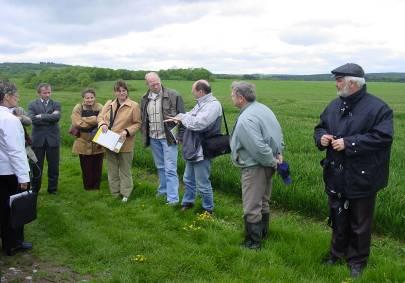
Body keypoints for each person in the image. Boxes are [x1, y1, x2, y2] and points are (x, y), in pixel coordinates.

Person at [314, 63, 393, 278]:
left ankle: (357, 261)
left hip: (362, 177)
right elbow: (320, 126)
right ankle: (336, 253)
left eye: (339, 79)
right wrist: (321, 138)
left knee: (360, 222)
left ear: (352, 82)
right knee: (338, 216)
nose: (336, 84)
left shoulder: (379, 109)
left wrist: (350, 143)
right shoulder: (334, 105)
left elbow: (383, 138)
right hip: (335, 174)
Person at [229, 81, 284, 250]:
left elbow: (258, 147)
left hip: (255, 167)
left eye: (232, 95)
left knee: (252, 204)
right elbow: (277, 133)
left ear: (240, 98)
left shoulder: (246, 118)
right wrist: (278, 154)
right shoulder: (263, 108)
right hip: (269, 163)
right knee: (263, 200)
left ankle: (253, 243)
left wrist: (271, 160)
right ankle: (263, 233)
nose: (231, 98)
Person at [165, 80, 222, 213]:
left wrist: (181, 119)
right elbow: (189, 115)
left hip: (203, 148)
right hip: (193, 148)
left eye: (194, 90)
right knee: (188, 179)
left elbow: (198, 123)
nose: (192, 93)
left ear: (200, 91)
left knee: (202, 182)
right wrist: (179, 117)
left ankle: (208, 209)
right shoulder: (201, 104)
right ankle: (188, 202)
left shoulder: (213, 105)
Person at [140, 72, 185, 205]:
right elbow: (143, 119)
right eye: (152, 83)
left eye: (157, 81)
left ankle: (173, 199)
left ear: (160, 80)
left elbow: (183, 116)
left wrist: (180, 136)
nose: (155, 85)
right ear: (147, 84)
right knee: (160, 167)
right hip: (153, 138)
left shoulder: (174, 95)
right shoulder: (144, 98)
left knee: (170, 168)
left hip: (169, 138)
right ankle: (163, 191)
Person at [0, 80, 33, 256]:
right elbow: (15, 150)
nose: (18, 98)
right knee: (14, 209)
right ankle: (13, 243)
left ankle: (7, 241)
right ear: (6, 96)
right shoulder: (9, 119)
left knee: (3, 208)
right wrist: (24, 177)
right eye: (16, 94)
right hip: (9, 171)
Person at [98, 80, 141, 202]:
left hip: (125, 142)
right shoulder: (109, 104)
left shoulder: (134, 105)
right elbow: (100, 117)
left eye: (124, 90)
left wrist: (127, 131)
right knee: (112, 169)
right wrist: (102, 125)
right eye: (119, 91)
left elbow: (138, 123)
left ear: (127, 91)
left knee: (125, 170)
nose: (121, 93)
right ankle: (115, 193)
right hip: (109, 141)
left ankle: (126, 194)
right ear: (115, 92)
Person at [28, 83, 61, 194]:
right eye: (44, 93)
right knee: (36, 165)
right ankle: (35, 189)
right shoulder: (32, 104)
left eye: (49, 92)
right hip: (38, 140)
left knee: (54, 166)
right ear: (39, 93)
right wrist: (49, 118)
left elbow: (56, 117)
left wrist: (41, 116)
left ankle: (52, 189)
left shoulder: (56, 104)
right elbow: (32, 119)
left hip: (53, 139)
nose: (47, 95)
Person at [71, 88, 104, 190]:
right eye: (87, 98)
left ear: (95, 97)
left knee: (97, 165)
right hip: (82, 141)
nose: (89, 100)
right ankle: (88, 187)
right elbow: (77, 123)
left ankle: (96, 187)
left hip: (98, 141)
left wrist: (84, 120)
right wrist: (95, 119)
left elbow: (103, 120)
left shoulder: (100, 107)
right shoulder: (78, 107)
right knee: (86, 166)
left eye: (91, 97)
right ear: (83, 98)